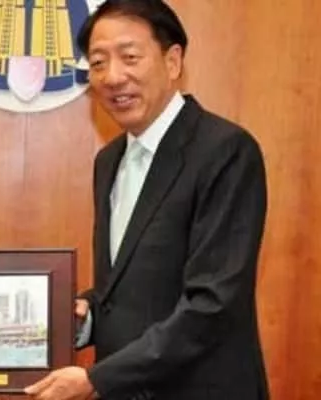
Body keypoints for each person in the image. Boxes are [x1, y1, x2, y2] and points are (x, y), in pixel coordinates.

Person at [24, 1, 269, 399]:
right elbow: (127, 289)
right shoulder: (109, 161)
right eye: (98, 62)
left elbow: (213, 303)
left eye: (130, 57)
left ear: (173, 62)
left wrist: (98, 379)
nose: (112, 77)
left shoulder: (225, 151)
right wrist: (86, 317)